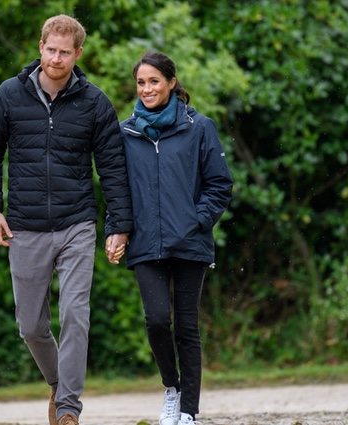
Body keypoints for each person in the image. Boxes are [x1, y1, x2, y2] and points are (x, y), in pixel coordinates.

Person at [0, 14, 132, 425]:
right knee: (30, 326)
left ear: (78, 53)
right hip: (24, 225)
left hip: (77, 224)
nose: (56, 59)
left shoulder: (95, 102)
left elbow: (113, 167)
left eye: (65, 52)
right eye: (50, 50)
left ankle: (68, 410)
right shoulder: (9, 95)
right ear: (40, 46)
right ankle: (58, 384)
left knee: (76, 314)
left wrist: (118, 224)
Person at [105, 51, 233, 425]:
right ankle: (172, 390)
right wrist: (117, 227)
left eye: (154, 81)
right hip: (146, 243)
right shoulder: (125, 132)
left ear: (171, 83)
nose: (147, 89)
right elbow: (118, 189)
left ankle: (190, 411)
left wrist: (197, 220)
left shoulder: (199, 127)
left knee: (187, 326)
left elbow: (219, 184)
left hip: (190, 242)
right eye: (141, 82)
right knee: (158, 320)